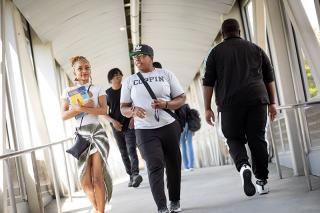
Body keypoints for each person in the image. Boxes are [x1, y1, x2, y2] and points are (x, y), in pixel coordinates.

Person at [202, 19, 277, 197]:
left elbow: (208, 82)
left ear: (222, 34)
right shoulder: (256, 49)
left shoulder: (215, 53)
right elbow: (269, 78)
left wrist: (207, 108)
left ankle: (243, 165)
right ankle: (261, 181)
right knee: (257, 139)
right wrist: (272, 103)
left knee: (233, 138)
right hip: (257, 100)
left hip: (229, 104)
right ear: (239, 31)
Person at [120, 44, 185, 213]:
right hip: (144, 129)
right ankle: (162, 207)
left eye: (141, 56)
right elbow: (123, 108)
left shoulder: (166, 74)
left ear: (151, 57)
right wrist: (133, 111)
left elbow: (181, 98)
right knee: (154, 164)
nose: (137, 59)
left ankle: (175, 200)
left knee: (173, 163)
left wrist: (165, 104)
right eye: (135, 57)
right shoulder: (129, 80)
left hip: (168, 125)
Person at [61, 56, 113, 213]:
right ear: (74, 72)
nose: (84, 71)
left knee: (97, 178)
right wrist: (80, 106)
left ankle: (101, 212)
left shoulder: (98, 89)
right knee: (84, 181)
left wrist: (81, 108)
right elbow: (63, 116)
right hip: (81, 136)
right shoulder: (69, 91)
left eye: (87, 67)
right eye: (80, 68)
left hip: (97, 133)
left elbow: (104, 110)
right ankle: (98, 209)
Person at [104, 68, 143, 188]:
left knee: (131, 149)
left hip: (129, 125)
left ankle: (136, 174)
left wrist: (133, 119)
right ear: (110, 79)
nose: (118, 76)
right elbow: (103, 112)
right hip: (116, 127)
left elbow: (135, 104)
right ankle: (131, 176)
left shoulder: (126, 89)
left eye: (119, 74)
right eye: (115, 75)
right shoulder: (107, 94)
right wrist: (113, 122)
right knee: (123, 152)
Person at [179, 104, 195, 171]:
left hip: (180, 126)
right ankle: (191, 165)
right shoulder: (186, 106)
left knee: (183, 146)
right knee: (190, 144)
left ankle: (186, 167)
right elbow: (191, 117)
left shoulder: (174, 106)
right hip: (188, 126)